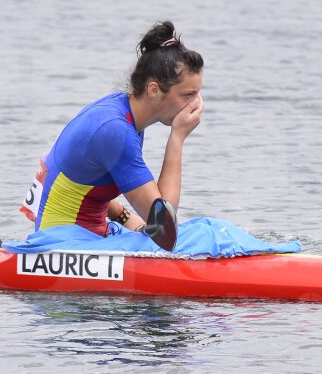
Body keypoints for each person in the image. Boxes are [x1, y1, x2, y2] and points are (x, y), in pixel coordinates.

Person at [21, 21, 204, 236]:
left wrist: (123, 217)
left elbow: (88, 184)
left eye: (197, 93)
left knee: (206, 230)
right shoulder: (115, 131)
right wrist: (177, 138)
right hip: (63, 241)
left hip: (91, 232)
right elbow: (164, 227)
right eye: (187, 95)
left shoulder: (122, 110)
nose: (196, 103)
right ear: (154, 90)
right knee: (203, 233)